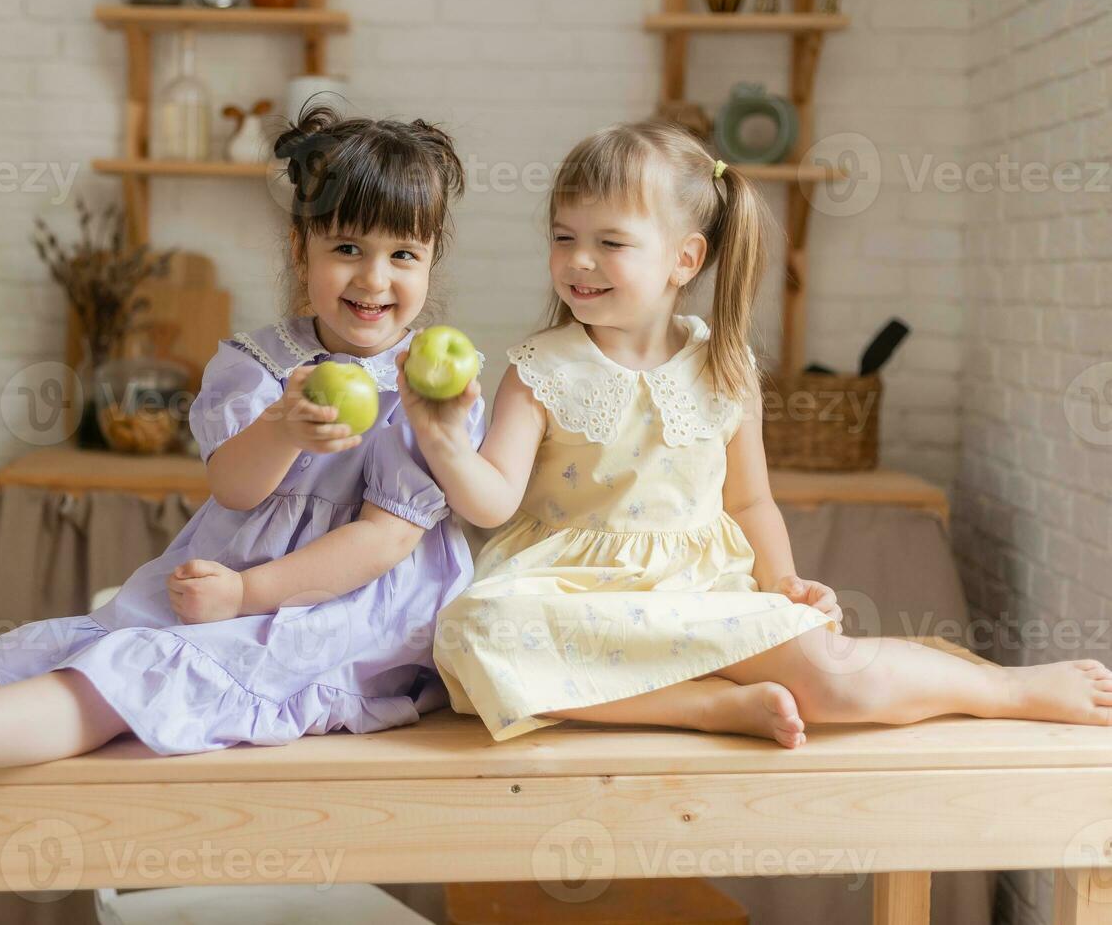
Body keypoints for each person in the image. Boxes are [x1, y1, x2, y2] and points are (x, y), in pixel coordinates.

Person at [0, 105, 483, 807]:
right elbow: (234, 489)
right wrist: (280, 427)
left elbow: (384, 542)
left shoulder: (426, 388)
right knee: (48, 645)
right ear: (301, 247)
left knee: (128, 671)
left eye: (402, 255)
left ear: (430, 263)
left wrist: (247, 592)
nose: (374, 278)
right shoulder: (260, 362)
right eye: (348, 246)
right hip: (229, 594)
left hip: (337, 623)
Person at [399, 120, 1112, 749]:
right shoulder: (540, 368)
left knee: (837, 679)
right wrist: (444, 440)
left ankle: (1007, 690)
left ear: (684, 259)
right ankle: (708, 707)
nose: (578, 260)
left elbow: (749, 504)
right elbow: (491, 504)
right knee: (474, 631)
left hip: (707, 594)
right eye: (564, 238)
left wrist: (782, 580)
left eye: (609, 242)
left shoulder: (723, 368)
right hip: (579, 597)